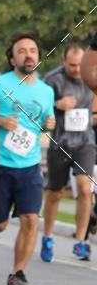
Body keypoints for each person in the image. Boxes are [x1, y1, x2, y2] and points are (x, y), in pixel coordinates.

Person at [0, 34, 55, 285]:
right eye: (22, 51)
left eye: (32, 50)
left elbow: (44, 121)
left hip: (30, 165)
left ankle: (17, 273)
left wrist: (49, 124)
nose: (28, 54)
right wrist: (0, 121)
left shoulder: (46, 91)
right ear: (13, 59)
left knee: (31, 219)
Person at [41, 43, 96, 262]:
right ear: (64, 61)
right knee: (55, 193)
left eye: (80, 64)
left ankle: (81, 241)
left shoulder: (91, 76)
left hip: (85, 143)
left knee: (84, 188)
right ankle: (47, 237)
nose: (77, 69)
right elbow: (40, 109)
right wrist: (57, 104)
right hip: (60, 144)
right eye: (72, 65)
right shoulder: (52, 80)